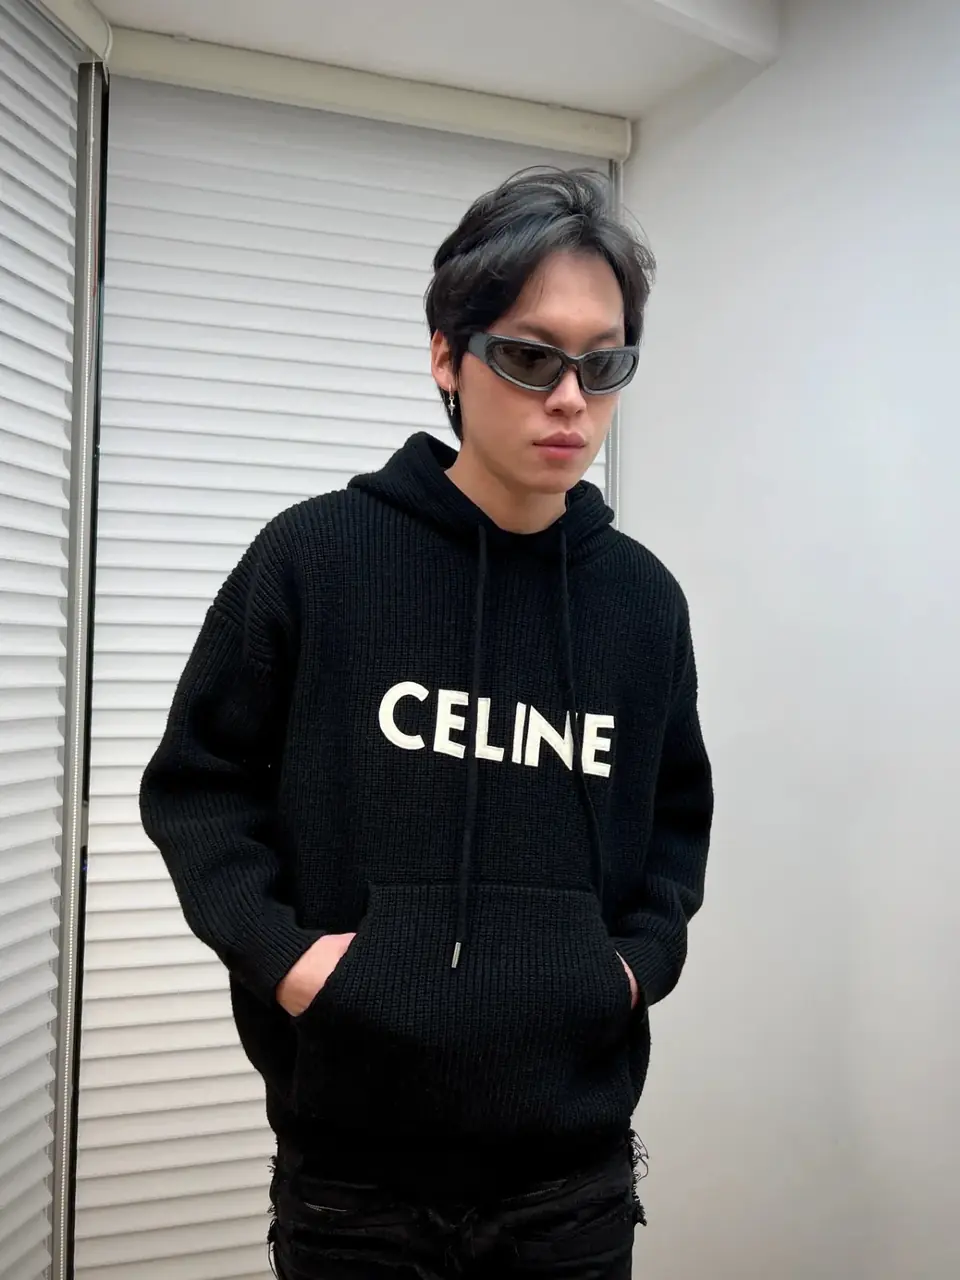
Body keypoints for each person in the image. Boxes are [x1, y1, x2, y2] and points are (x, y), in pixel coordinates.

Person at [140, 168, 713, 1279]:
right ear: (447, 356)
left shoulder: (642, 603)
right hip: (353, 1187)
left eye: (603, 364)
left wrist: (631, 967)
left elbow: (675, 828)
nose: (570, 399)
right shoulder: (317, 558)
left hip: (572, 1187)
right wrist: (290, 962)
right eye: (530, 357)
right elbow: (199, 789)